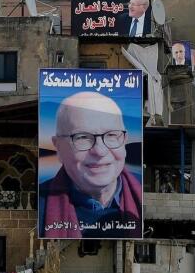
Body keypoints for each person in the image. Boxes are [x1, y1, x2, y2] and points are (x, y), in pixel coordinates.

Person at [39, 92, 142, 239]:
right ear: (59, 147)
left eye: (112, 135)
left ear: (124, 141)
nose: (100, 151)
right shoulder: (40, 205)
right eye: (82, 137)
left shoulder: (143, 197)